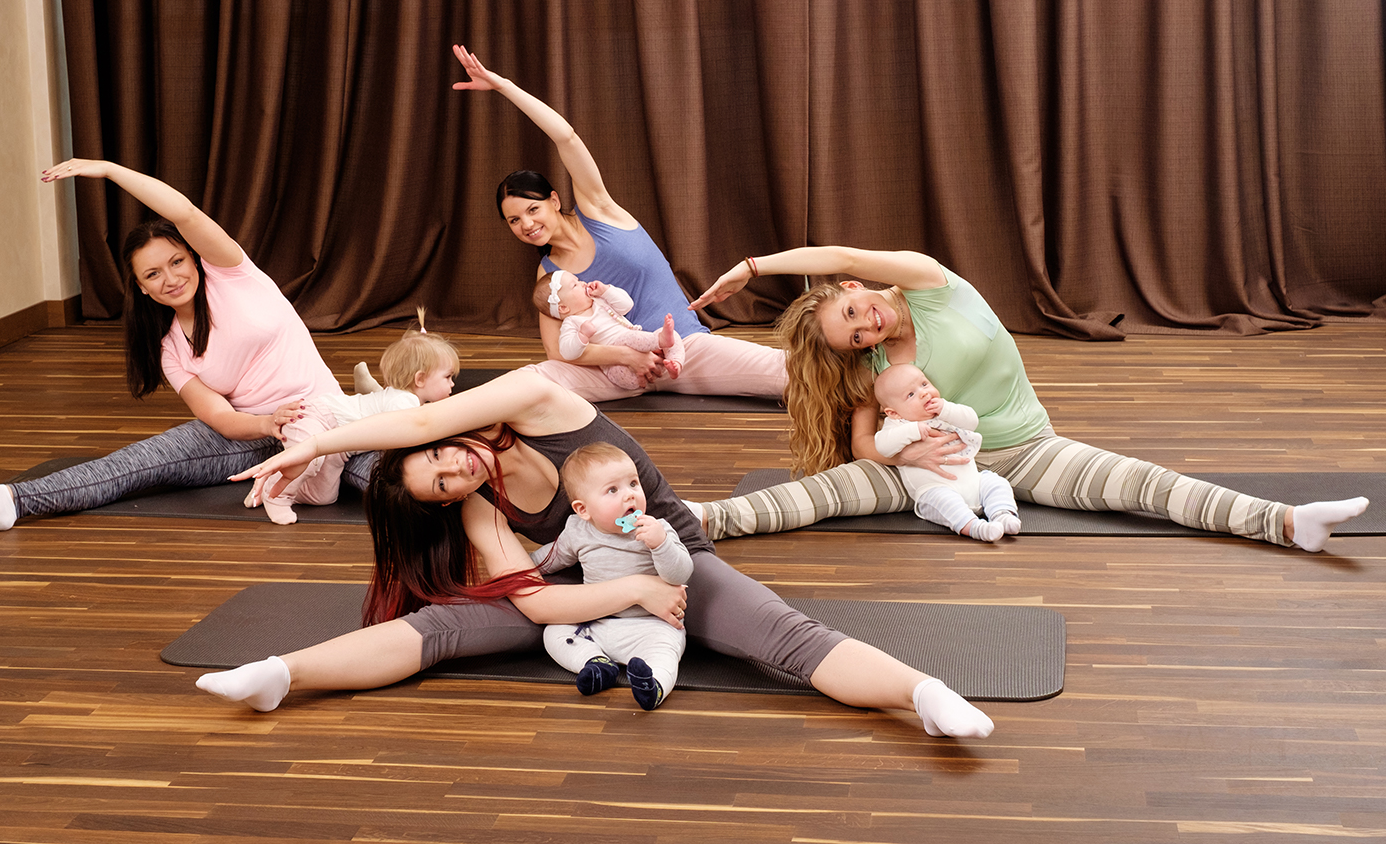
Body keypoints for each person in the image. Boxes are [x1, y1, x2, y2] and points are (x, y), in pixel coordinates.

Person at [195, 371, 995, 739]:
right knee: (441, 628)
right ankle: (281, 675)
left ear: (439, 435)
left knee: (781, 636)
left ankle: (923, 696)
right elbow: (539, 602)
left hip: (670, 557)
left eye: (443, 461)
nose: (456, 474)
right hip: (582, 589)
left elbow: (404, 431)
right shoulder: (476, 504)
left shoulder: (540, 400)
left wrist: (310, 448)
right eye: (441, 490)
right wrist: (628, 602)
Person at [689, 246, 1369, 551]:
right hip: (927, 472)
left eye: (856, 314)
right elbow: (865, 439)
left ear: (852, 288)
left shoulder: (931, 283)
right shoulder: (872, 367)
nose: (866, 328)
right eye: (853, 337)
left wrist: (753, 268)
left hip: (1027, 450)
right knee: (828, 491)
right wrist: (902, 452)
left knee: (1145, 485)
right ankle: (704, 520)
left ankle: (1286, 522)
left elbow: (837, 248)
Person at [0, 159, 377, 529]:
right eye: (153, 275)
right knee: (143, 461)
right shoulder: (169, 348)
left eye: (176, 261)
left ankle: (385, 404)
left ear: (193, 258)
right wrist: (267, 426)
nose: (171, 279)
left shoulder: (234, 275)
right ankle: (14, 501)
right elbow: (222, 418)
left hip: (324, 418)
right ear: (142, 289)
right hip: (254, 432)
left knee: (385, 480)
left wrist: (109, 171)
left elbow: (183, 213)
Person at [452, 44, 786, 402]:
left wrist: (503, 86)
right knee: (533, 382)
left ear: (554, 200)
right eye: (514, 221)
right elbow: (557, 352)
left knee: (789, 371)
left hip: (686, 350)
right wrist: (628, 356)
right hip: (619, 371)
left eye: (532, 210)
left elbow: (566, 137)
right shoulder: (549, 275)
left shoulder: (599, 211)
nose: (526, 225)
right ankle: (422, 415)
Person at [538, 442, 691, 711]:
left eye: (633, 484)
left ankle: (652, 686)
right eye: (612, 490)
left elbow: (681, 573)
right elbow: (552, 559)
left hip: (650, 626)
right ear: (583, 510)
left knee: (667, 649)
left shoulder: (657, 529)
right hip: (597, 623)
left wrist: (661, 544)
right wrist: (517, 570)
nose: (629, 496)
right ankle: (595, 663)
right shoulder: (577, 531)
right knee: (554, 632)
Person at [873, 364, 1020, 542]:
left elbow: (971, 421)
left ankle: (1002, 514)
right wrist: (913, 430)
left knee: (996, 482)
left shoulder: (943, 412)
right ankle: (975, 527)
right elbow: (883, 446)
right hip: (935, 490)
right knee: (945, 503)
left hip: (974, 483)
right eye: (911, 395)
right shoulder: (898, 425)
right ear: (893, 413)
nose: (923, 393)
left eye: (924, 384)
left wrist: (946, 409)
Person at [532, 270, 685, 391]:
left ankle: (675, 363)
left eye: (578, 280)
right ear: (564, 307)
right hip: (620, 370)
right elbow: (566, 352)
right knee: (631, 338)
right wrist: (582, 337)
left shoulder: (599, 301)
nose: (582, 283)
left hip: (645, 351)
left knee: (672, 335)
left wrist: (606, 291)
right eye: (575, 285)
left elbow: (627, 305)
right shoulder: (572, 323)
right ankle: (659, 340)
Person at [322, 310, 460, 427]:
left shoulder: (404, 398)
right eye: (447, 377)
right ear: (420, 379)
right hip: (328, 418)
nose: (452, 383)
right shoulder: (403, 404)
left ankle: (369, 389)